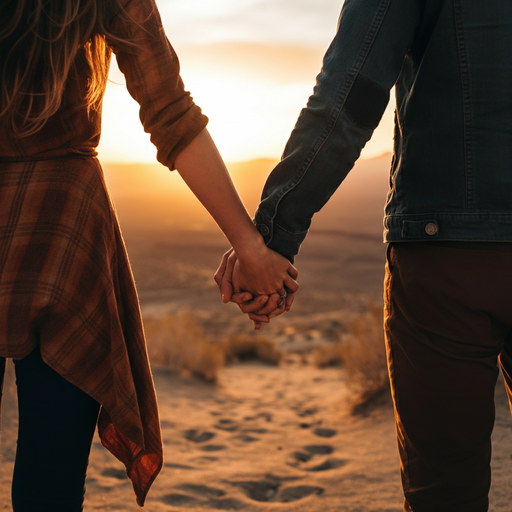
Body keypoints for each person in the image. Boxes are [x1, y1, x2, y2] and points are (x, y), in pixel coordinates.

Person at [0, 0, 298, 510]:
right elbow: (170, 111)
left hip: (64, 228)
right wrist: (250, 247)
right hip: (64, 230)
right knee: (49, 485)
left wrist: (249, 245)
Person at [216, 0, 512, 510]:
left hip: (448, 262)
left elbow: (349, 92)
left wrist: (271, 241)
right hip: (447, 260)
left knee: (445, 489)